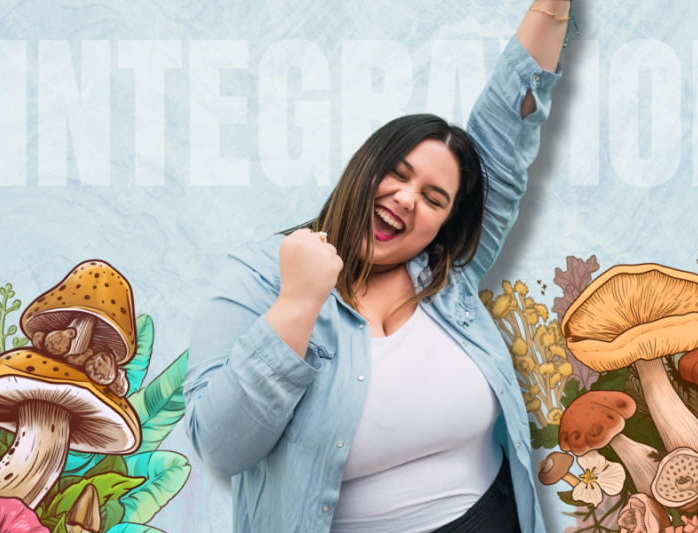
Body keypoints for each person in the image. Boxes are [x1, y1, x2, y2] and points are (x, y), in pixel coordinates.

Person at [184, 1, 573, 531]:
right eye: (398, 173)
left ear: (444, 225)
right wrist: (297, 304)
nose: (409, 199)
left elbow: (506, 138)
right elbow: (221, 449)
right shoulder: (259, 276)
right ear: (364, 166)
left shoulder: (449, 273)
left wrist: (551, 7)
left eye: (434, 198)